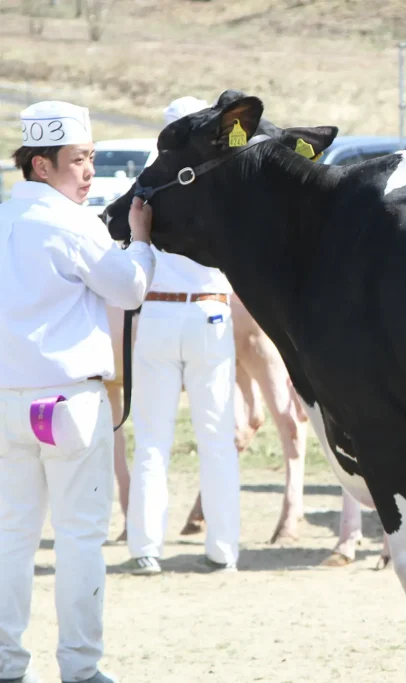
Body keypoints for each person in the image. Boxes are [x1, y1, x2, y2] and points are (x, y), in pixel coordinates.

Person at [0, 100, 155, 683]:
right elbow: (129, 289)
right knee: (80, 537)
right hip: (67, 403)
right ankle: (81, 668)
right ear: (43, 166)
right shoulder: (73, 224)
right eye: (78, 161)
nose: (88, 172)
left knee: (12, 538)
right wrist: (139, 241)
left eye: (89, 159)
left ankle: (7, 664)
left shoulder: (4, 220)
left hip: (8, 399)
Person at [125, 96, 241, 576]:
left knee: (153, 438)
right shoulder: (224, 178)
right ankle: (223, 547)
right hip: (210, 311)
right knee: (216, 437)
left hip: (157, 311)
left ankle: (145, 547)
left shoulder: (148, 182)